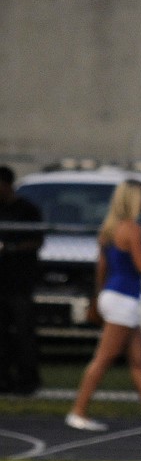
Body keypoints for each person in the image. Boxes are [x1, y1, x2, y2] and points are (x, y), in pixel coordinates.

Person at [65, 179, 141, 432]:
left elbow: (102, 268)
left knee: (138, 359)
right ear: (134, 200)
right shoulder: (132, 229)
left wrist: (98, 298)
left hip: (113, 294)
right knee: (103, 359)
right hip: (124, 299)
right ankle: (78, 411)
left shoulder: (109, 229)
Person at [0, 165, 44, 395]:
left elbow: (37, 240)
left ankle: (28, 379)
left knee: (24, 332)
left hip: (20, 282)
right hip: (2, 282)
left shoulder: (26, 210)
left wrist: (11, 248)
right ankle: (4, 378)